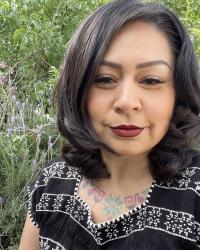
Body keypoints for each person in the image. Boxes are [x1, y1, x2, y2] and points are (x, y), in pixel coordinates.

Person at [19, 0, 200, 249]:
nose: (126, 102)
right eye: (105, 79)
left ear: (178, 92)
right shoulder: (52, 181)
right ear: (78, 89)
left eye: (151, 80)